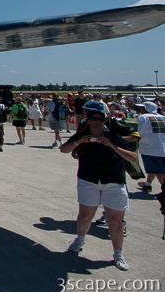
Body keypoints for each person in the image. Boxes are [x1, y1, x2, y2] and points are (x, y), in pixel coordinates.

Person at [60, 101, 138, 271]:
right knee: (85, 216)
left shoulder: (113, 135)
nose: (96, 122)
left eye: (100, 119)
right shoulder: (82, 134)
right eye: (93, 118)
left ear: (104, 120)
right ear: (88, 120)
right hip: (88, 181)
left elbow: (132, 157)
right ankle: (80, 239)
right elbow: (64, 149)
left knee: (115, 221)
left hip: (114, 182)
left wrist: (111, 145)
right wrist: (80, 141)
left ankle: (118, 253)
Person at [133, 101, 165, 193]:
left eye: (142, 108)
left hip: (150, 149)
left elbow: (139, 133)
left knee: (159, 171)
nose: (140, 109)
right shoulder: (163, 117)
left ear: (146, 109)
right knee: (155, 168)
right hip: (162, 148)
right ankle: (148, 184)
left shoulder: (143, 117)